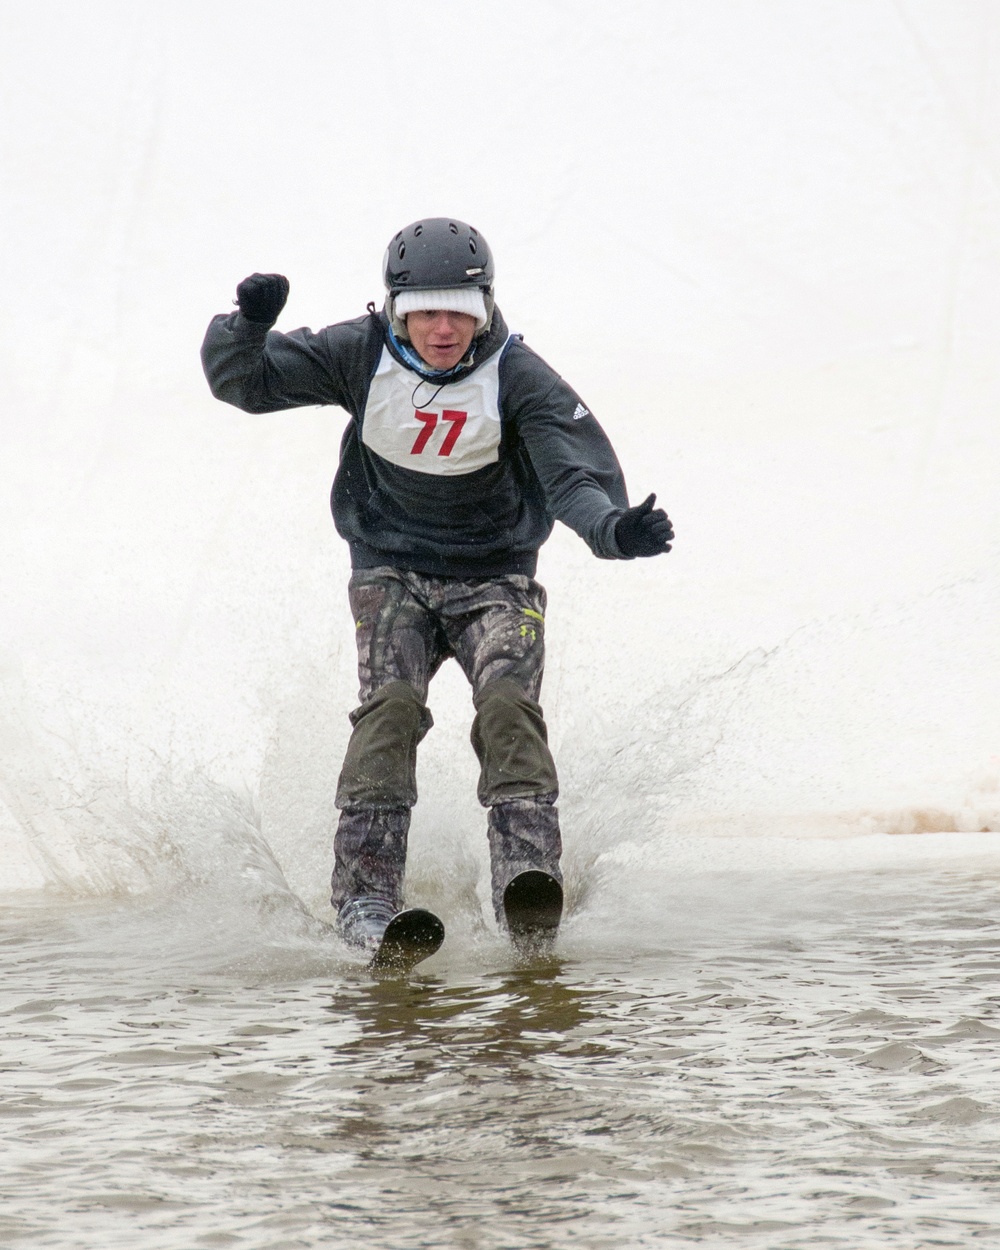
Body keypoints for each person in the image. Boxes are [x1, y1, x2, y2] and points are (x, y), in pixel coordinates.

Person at [201, 217, 673, 956]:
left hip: (497, 579)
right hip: (390, 572)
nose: (444, 328)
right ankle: (364, 899)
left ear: (485, 308)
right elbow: (244, 383)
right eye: (426, 311)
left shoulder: (520, 377)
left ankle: (526, 881)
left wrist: (614, 531)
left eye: (461, 310)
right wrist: (248, 325)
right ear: (397, 309)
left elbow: (570, 478)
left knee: (509, 706)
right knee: (388, 711)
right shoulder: (358, 354)